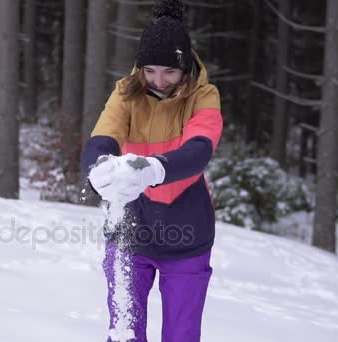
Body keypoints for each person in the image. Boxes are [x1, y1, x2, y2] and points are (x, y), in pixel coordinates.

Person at [80, 0, 223, 341]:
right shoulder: (126, 93)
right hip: (130, 229)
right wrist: (99, 166)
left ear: (186, 67)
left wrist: (154, 170)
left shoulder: (204, 96)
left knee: (181, 335)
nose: (158, 81)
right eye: (150, 70)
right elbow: (103, 136)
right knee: (125, 332)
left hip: (187, 233)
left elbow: (199, 150)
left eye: (169, 72)